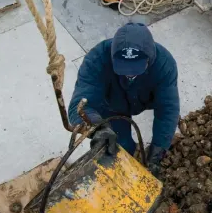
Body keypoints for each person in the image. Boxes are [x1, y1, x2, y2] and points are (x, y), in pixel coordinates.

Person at [68, 22, 180, 177]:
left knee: (164, 128)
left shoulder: (164, 64)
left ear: (150, 57)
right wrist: (98, 127)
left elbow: (167, 109)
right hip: (112, 105)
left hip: (145, 99)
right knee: (120, 148)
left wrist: (158, 151)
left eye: (136, 68)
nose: (130, 74)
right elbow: (78, 106)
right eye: (124, 68)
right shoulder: (96, 59)